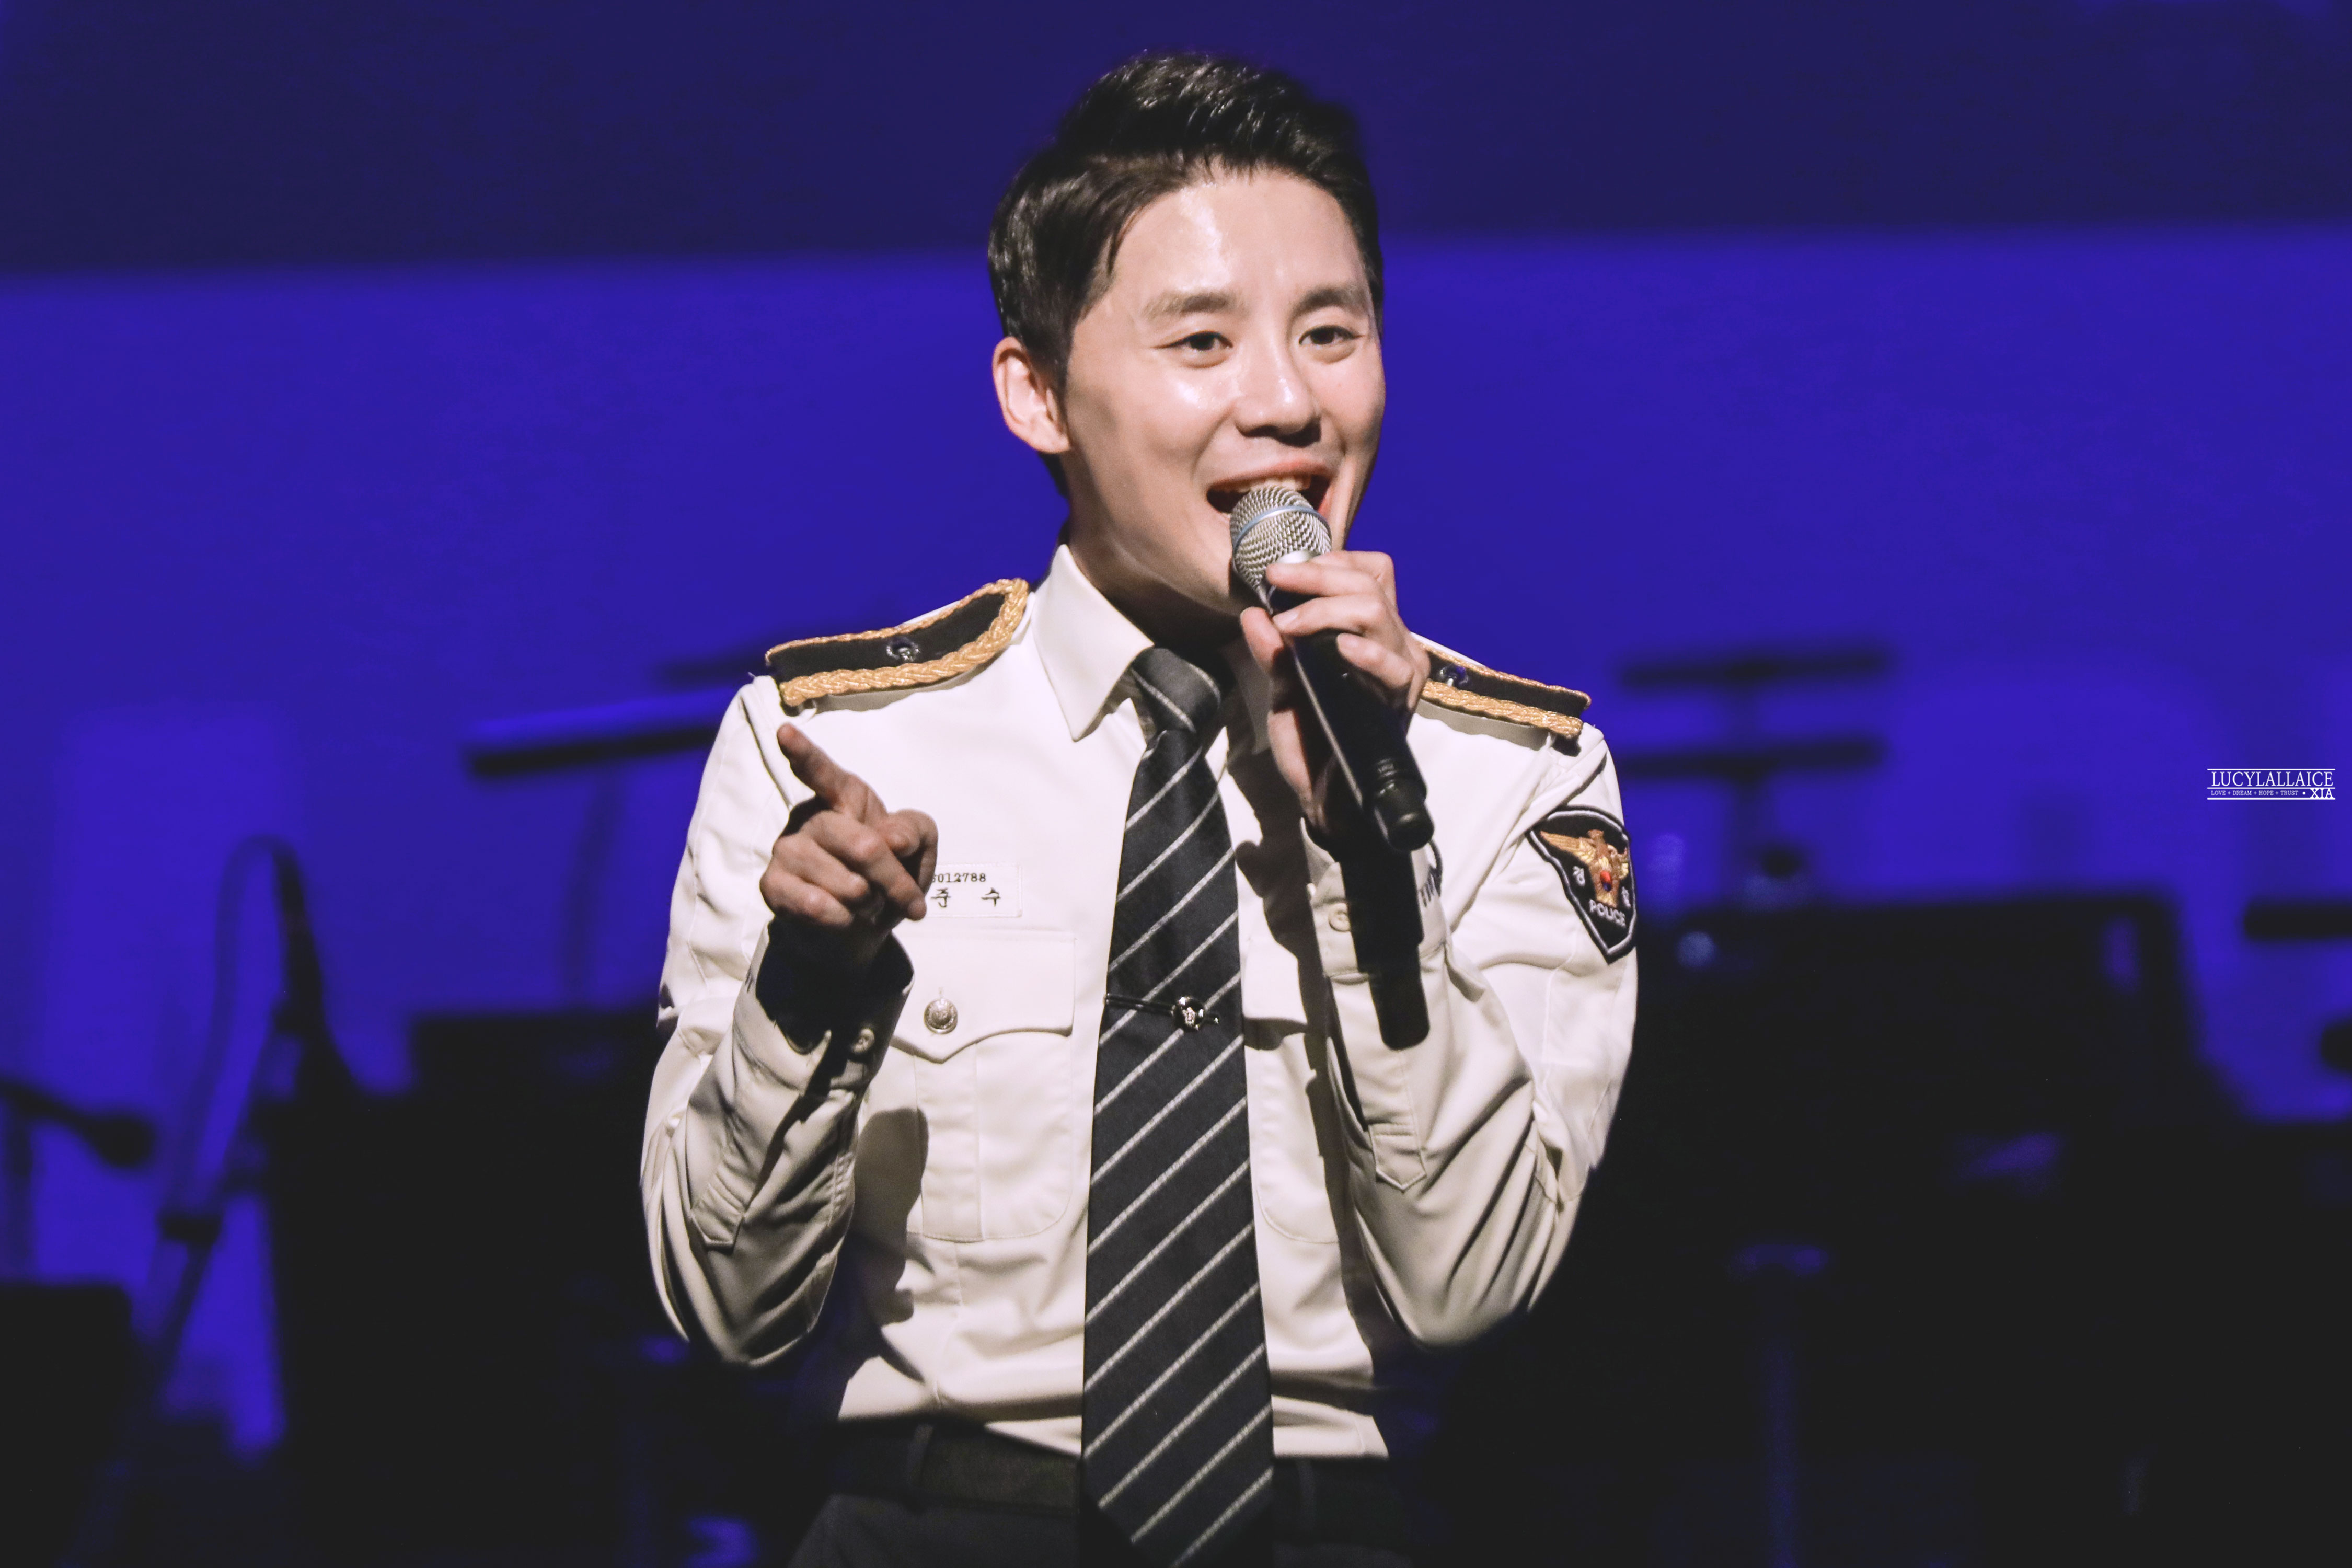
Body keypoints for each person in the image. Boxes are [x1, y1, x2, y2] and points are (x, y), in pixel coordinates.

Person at [640, 52, 1638, 1568]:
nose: (1287, 403)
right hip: (939, 1524)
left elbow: (1470, 1286)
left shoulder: (1513, 772)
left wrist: (1369, 856)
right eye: (1202, 342)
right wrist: (809, 984)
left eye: (1331, 333)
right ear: (1036, 393)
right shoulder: (833, 744)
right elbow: (726, 1310)